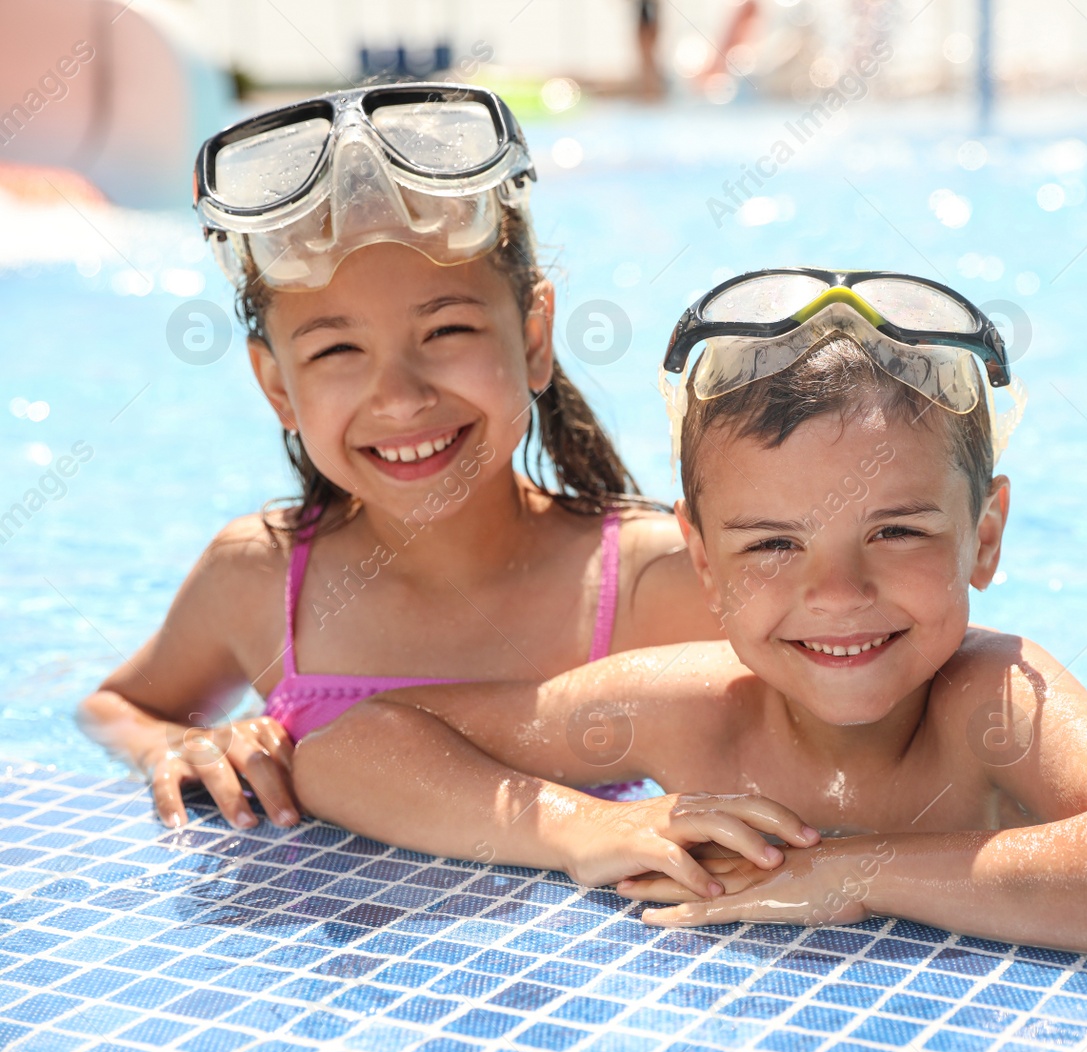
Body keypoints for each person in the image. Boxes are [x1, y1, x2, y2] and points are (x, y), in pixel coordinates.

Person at [296, 270, 1087, 960]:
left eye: (897, 531)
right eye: (773, 543)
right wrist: (587, 827)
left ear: (984, 534)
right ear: (702, 561)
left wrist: (857, 873)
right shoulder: (687, 708)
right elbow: (347, 746)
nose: (838, 592)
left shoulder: (991, 705)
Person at [75, 85, 817, 895]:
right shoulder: (258, 580)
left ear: (533, 339)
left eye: (446, 331)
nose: (399, 397)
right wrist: (172, 745)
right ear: (276, 387)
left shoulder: (650, 583)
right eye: (335, 352)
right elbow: (117, 704)